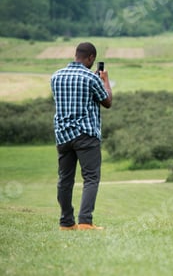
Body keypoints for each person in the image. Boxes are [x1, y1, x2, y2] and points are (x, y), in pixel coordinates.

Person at [51, 42, 112, 231]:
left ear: (76, 54)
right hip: (86, 134)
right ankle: (85, 221)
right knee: (91, 178)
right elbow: (107, 102)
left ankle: (66, 222)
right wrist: (105, 80)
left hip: (62, 135)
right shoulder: (90, 78)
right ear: (91, 58)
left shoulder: (56, 76)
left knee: (65, 179)